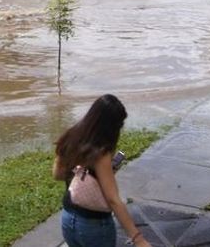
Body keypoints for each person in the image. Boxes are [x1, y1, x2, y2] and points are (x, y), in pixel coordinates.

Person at [53, 94, 151, 247]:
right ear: (110, 127)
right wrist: (138, 239)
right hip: (94, 225)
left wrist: (84, 174)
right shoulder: (101, 153)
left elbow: (57, 175)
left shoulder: (70, 136)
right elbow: (113, 200)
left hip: (68, 218)